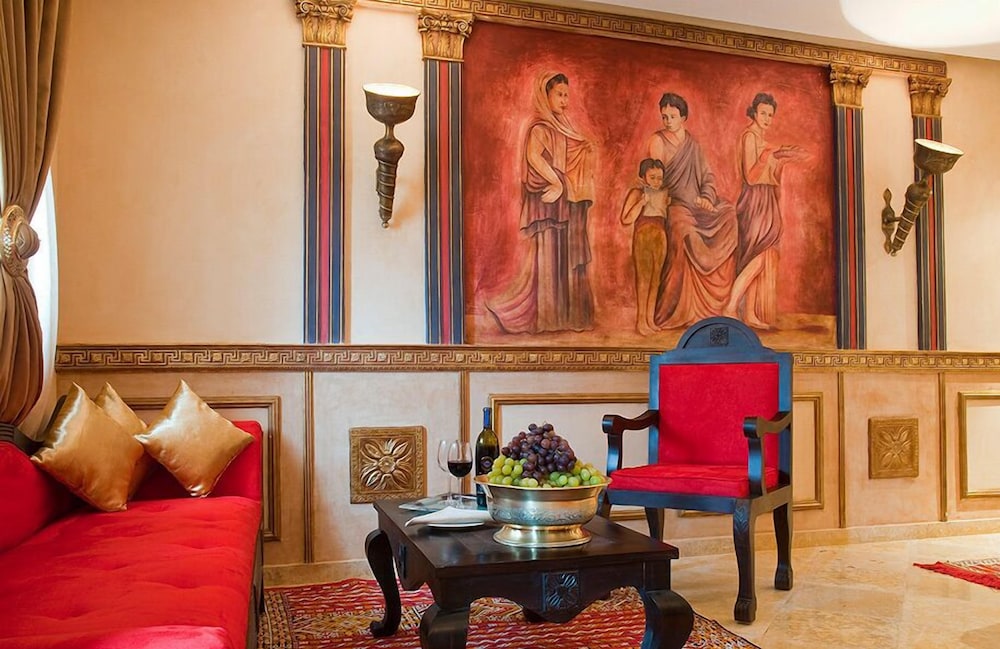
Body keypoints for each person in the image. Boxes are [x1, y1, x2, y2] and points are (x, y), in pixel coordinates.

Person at [486, 71, 597, 334]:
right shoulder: (540, 128)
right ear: (545, 95)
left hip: (566, 201)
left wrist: (584, 151)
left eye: (567, 95)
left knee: (566, 255)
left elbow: (571, 157)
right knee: (550, 255)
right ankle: (549, 318)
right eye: (559, 94)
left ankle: (568, 316)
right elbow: (534, 158)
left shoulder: (564, 126)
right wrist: (556, 183)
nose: (564, 100)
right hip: (548, 201)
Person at [648, 92, 738, 329]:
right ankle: (681, 309)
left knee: (729, 214)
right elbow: (656, 181)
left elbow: (707, 176)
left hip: (698, 206)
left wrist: (707, 198)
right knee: (683, 230)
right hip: (674, 205)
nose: (668, 121)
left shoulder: (693, 145)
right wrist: (686, 199)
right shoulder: (657, 141)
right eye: (664, 116)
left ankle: (716, 304)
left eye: (672, 116)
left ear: (683, 117)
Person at [724, 92, 806, 329]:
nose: (767, 119)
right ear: (754, 113)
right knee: (758, 256)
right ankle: (730, 306)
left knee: (762, 254)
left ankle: (749, 313)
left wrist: (782, 159)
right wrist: (770, 154)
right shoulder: (750, 137)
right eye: (763, 113)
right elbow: (751, 176)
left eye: (770, 115)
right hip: (754, 200)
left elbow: (770, 173)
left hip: (766, 197)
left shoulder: (761, 138)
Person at [620, 158, 669, 336]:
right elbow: (625, 219)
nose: (657, 182)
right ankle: (641, 321)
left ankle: (650, 320)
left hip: (660, 236)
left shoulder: (664, 193)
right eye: (652, 177)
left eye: (659, 178)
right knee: (644, 280)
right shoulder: (637, 192)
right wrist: (641, 203)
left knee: (656, 280)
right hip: (643, 237)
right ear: (643, 177)